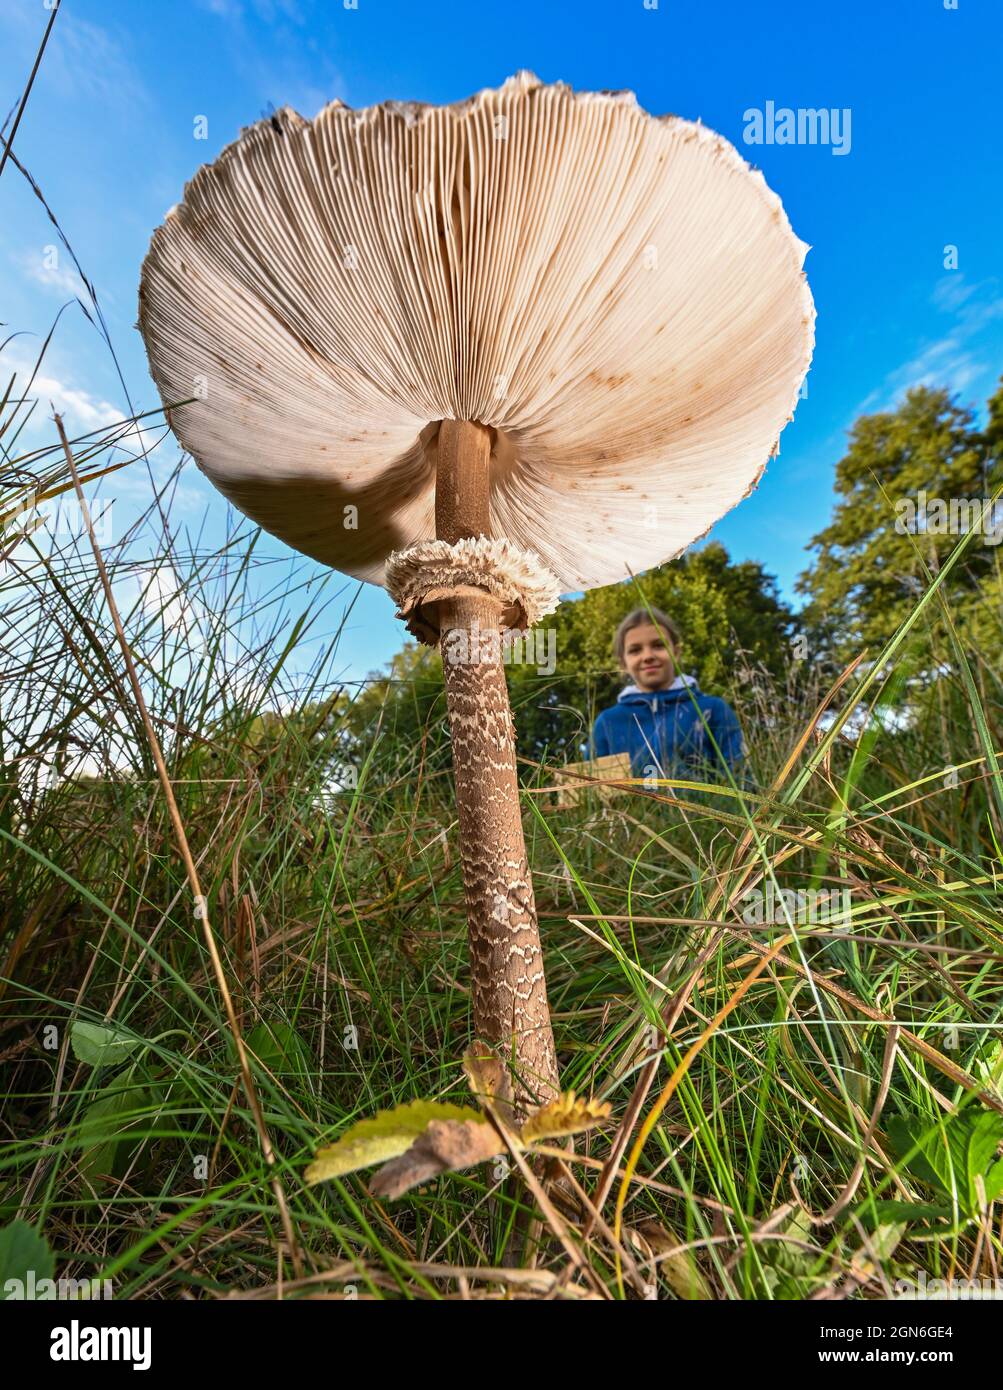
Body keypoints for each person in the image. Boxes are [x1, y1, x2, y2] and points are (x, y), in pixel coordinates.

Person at [589, 606, 744, 782]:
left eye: (659, 645)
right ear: (623, 662)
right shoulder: (607, 722)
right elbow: (593, 792)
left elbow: (739, 777)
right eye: (635, 650)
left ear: (676, 652)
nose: (647, 656)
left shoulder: (712, 709)